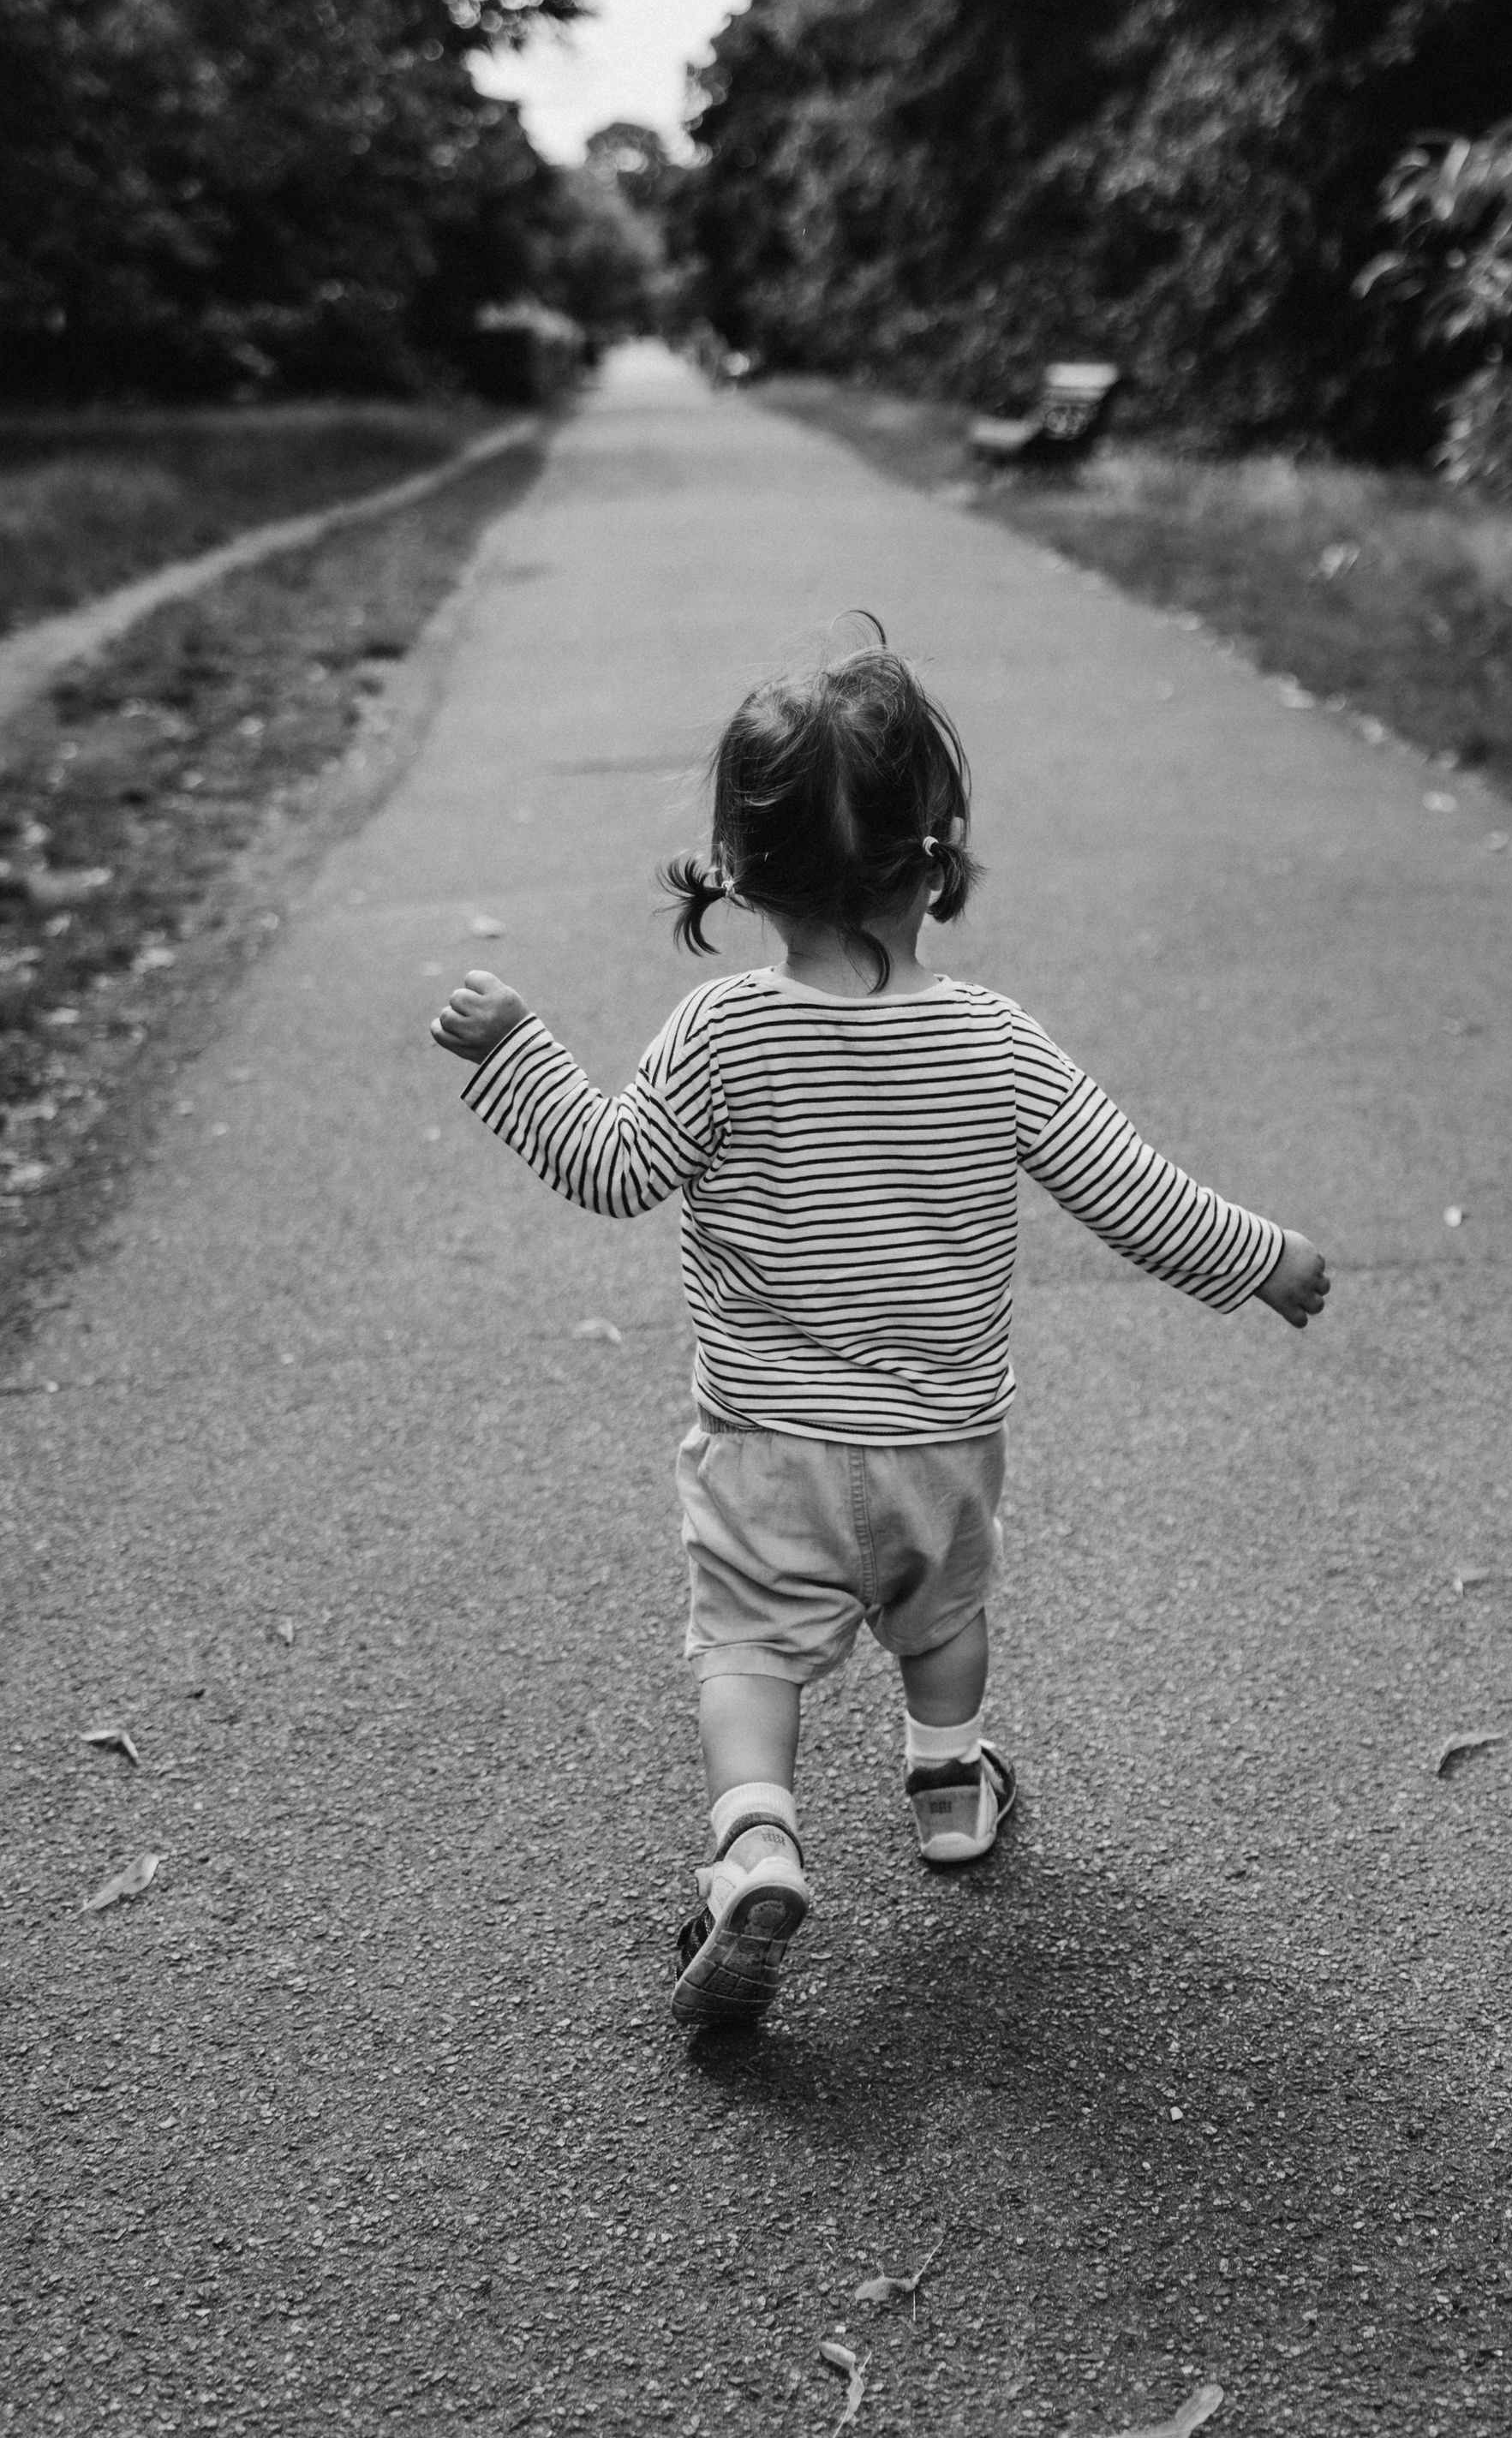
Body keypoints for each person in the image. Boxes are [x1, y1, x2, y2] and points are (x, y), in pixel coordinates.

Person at [429, 633, 1329, 2027]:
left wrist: (515, 1054)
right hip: (941, 1446)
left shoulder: (722, 1033)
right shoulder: (996, 1043)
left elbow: (608, 1168)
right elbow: (1134, 1196)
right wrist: (1263, 1259)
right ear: (939, 851)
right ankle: (950, 1786)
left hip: (767, 1448)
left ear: (737, 867)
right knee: (944, 1616)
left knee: (745, 1650)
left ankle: (757, 1840)